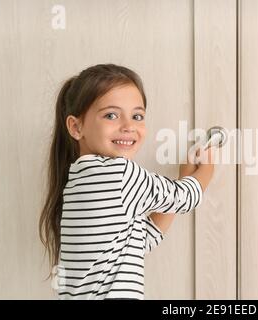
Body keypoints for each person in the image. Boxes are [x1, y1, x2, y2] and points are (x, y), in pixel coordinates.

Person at [39, 63, 215, 299]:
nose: (128, 126)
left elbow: (138, 241)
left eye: (137, 116)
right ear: (76, 126)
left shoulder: (77, 182)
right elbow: (184, 198)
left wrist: (180, 181)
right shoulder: (120, 174)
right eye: (111, 115)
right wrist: (206, 170)